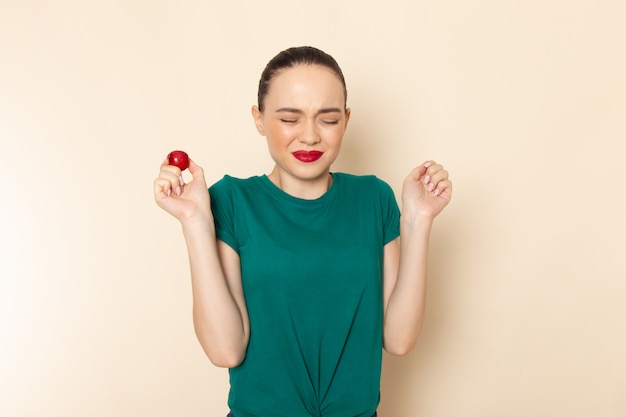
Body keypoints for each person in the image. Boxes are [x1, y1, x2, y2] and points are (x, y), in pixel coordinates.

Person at [154, 46, 452, 417]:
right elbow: (225, 350)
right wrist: (195, 221)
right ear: (259, 119)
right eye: (290, 119)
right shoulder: (230, 201)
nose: (309, 136)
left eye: (327, 119)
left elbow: (399, 339)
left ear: (346, 119)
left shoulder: (374, 197)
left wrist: (418, 220)